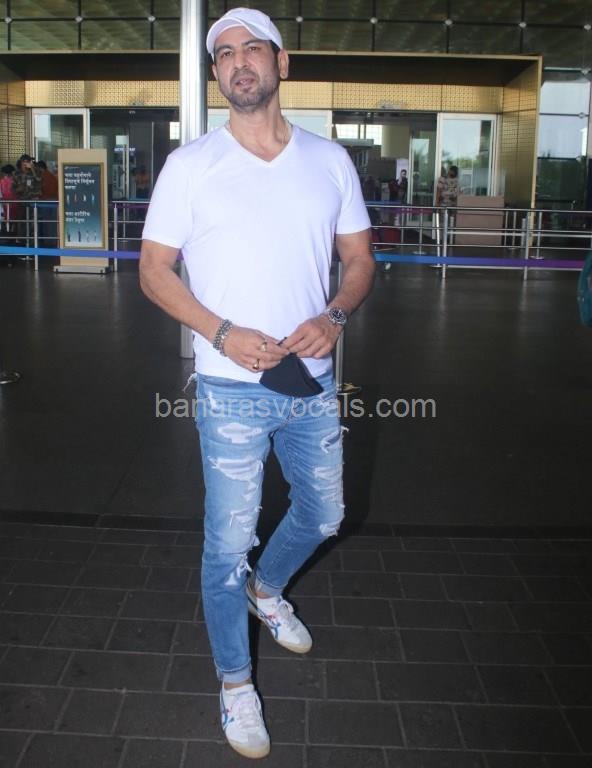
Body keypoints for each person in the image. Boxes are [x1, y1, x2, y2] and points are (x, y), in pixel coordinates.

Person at [140, 6, 374, 759]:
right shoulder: (191, 166)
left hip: (311, 379)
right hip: (229, 388)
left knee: (326, 513)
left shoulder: (329, 160)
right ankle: (235, 683)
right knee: (226, 543)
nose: (238, 62)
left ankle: (266, 591)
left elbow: (360, 260)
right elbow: (153, 271)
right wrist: (220, 333)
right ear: (217, 75)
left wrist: (335, 314)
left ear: (281, 63)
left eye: (252, 49)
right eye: (224, 54)